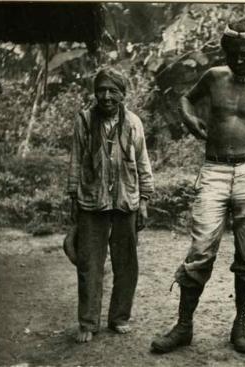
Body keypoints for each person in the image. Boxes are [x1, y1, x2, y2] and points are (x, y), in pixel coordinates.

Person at [150, 18, 245, 354]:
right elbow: (185, 99)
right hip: (214, 169)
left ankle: (240, 327)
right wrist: (189, 117)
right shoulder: (213, 77)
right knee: (200, 249)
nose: (240, 60)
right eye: (234, 53)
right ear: (225, 50)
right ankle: (183, 326)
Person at [67, 67, 154, 343]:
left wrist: (144, 200)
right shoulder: (83, 121)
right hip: (92, 203)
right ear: (95, 93)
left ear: (122, 94)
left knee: (126, 264)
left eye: (112, 91)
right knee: (90, 264)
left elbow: (142, 162)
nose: (105, 97)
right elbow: (76, 160)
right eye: (101, 90)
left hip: (126, 201)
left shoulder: (133, 123)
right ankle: (88, 322)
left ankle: (119, 317)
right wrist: (73, 197)